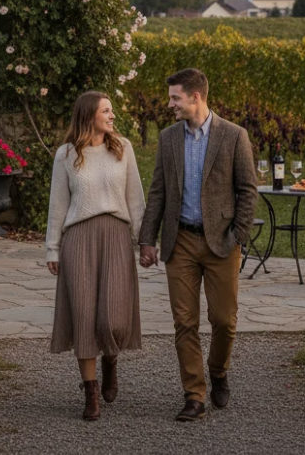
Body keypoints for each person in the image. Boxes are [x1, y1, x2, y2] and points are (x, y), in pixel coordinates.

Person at [139, 68, 258, 422]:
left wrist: (238, 235)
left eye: (175, 97)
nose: (170, 104)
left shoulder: (234, 136)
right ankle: (194, 394)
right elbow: (158, 191)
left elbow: (248, 190)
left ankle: (218, 370)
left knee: (224, 321)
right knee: (184, 322)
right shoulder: (168, 138)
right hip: (181, 242)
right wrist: (147, 238)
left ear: (196, 97)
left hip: (222, 242)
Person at [46, 91, 145, 421]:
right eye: (106, 110)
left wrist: (145, 242)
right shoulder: (66, 155)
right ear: (89, 115)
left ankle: (111, 359)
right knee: (84, 319)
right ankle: (90, 393)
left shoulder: (123, 148)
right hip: (78, 239)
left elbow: (136, 200)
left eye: (112, 110)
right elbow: (57, 205)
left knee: (113, 319)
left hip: (116, 236)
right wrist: (52, 248)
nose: (112, 115)